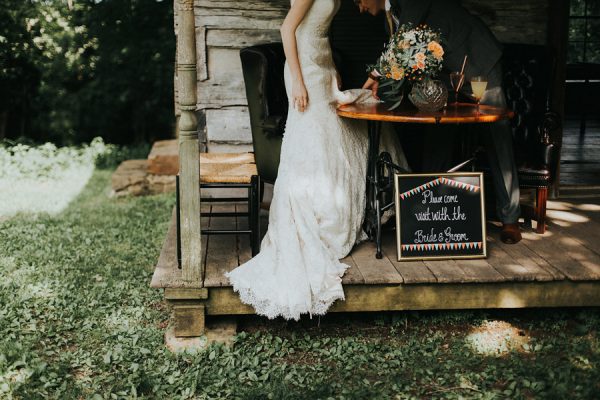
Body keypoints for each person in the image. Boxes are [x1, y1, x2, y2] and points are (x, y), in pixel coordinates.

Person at [226, 0, 408, 320]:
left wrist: (333, 68)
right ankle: (319, 223)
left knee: (343, 138)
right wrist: (297, 80)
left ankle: (340, 214)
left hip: (322, 64)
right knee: (315, 143)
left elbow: (321, 30)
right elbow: (288, 29)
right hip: (305, 69)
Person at [355, 0, 523, 244]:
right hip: (446, 73)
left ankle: (511, 218)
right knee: (437, 131)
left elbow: (405, 40)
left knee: (496, 134)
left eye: (358, 1)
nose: (360, 8)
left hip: (477, 62)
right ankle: (431, 212)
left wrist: (375, 75)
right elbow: (407, 52)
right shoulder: (391, 15)